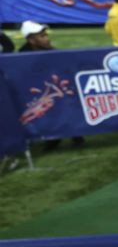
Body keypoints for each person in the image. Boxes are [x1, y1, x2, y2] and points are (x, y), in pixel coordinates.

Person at [18, 21, 86, 150]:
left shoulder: (53, 51)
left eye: (46, 35)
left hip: (57, 89)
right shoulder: (21, 56)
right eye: (42, 36)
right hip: (39, 94)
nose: (47, 39)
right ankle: (53, 138)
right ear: (31, 40)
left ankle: (76, 135)